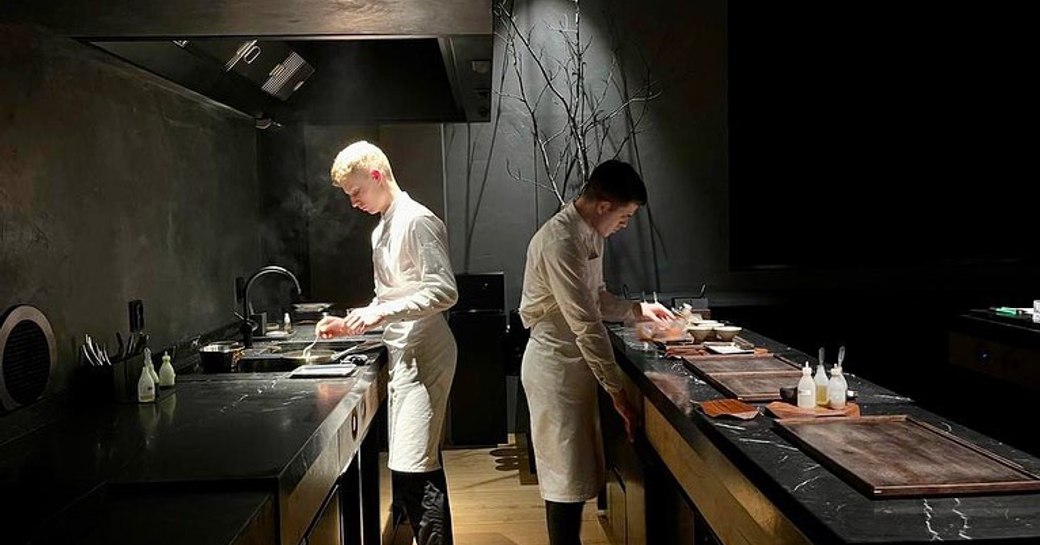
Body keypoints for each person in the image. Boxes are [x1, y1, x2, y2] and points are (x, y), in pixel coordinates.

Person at [519, 159, 674, 545]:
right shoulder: (560, 240)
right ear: (604, 205)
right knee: (563, 477)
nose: (625, 224)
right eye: (626, 215)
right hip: (555, 366)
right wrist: (617, 391)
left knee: (576, 471)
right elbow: (585, 323)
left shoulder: (591, 235)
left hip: (576, 364)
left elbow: (598, 299)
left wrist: (639, 310)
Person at [316, 140, 457, 545]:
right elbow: (391, 298)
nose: (353, 202)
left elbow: (445, 291)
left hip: (427, 352)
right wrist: (351, 322)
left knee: (416, 469)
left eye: (356, 192)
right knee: (417, 463)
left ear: (376, 176)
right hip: (405, 354)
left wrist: (379, 313)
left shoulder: (418, 221)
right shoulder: (382, 228)